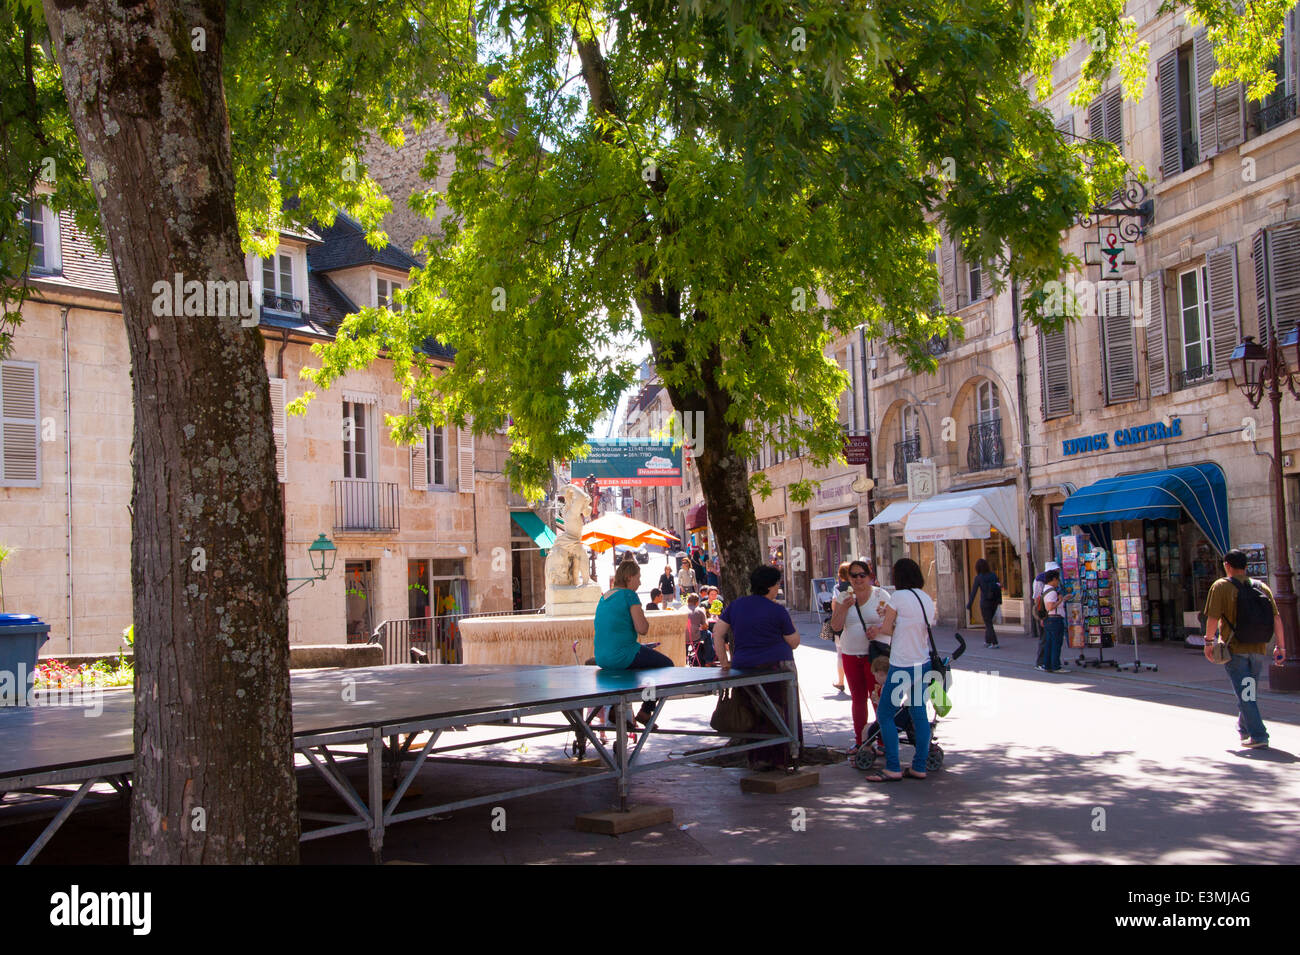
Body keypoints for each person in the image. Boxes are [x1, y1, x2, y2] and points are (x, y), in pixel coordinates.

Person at [712, 564, 802, 771]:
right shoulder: (777, 610)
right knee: (780, 712)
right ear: (771, 586)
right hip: (776, 667)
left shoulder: (736, 605)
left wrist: (724, 661)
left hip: (744, 666)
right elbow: (794, 642)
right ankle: (780, 758)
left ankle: (757, 757)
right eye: (777, 584)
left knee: (752, 711)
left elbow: (718, 633)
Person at [1203, 548, 1286, 749]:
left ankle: (1259, 734)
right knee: (1248, 690)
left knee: (1246, 693)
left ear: (1227, 566)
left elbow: (1212, 617)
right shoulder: (1261, 587)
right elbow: (1276, 618)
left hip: (1235, 648)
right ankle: (1244, 729)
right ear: (1246, 567)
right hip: (1258, 647)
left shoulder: (1221, 586)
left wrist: (1208, 642)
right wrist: (1280, 646)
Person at [863, 558, 935, 781]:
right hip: (922, 662)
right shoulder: (926, 598)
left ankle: (893, 766)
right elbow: (914, 627)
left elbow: (887, 630)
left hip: (902, 663)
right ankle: (919, 766)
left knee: (885, 714)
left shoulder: (898, 597)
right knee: (919, 713)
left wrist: (881, 624)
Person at [594, 559, 673, 724]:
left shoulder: (604, 597)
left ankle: (617, 707)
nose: (640, 582)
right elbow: (642, 628)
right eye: (638, 577)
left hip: (602, 657)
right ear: (629, 578)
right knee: (665, 665)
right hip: (623, 655)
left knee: (644, 664)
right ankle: (646, 710)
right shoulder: (629, 595)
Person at [830, 559, 893, 755]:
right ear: (848, 578)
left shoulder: (881, 595)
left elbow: (893, 626)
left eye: (862, 575)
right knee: (857, 699)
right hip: (850, 653)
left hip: (875, 656)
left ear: (869, 577)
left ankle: (883, 740)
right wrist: (842, 608)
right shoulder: (843, 597)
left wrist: (879, 630)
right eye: (854, 576)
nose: (858, 579)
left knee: (877, 698)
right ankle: (861, 741)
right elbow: (835, 627)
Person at [967, 558, 1003, 649]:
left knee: (988, 623)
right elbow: (998, 588)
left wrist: (969, 604)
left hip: (985, 603)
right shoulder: (993, 575)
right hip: (994, 602)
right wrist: (999, 600)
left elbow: (974, 592)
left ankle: (994, 642)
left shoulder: (979, 577)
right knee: (989, 622)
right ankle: (987, 640)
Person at [1040, 569, 1069, 673]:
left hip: (1050, 619)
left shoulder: (1045, 589)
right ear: (1053, 579)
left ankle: (1047, 665)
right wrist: (1060, 600)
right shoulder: (1051, 591)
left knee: (1049, 643)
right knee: (1056, 643)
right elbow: (1050, 607)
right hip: (1054, 619)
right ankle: (1055, 666)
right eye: (1057, 579)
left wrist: (1063, 599)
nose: (1058, 582)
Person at [1033, 561, 1059, 667]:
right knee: (1044, 638)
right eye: (1056, 571)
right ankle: (1041, 662)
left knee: (1049, 639)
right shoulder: (1040, 580)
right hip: (1045, 613)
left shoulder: (1051, 582)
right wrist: (1042, 617)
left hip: (1050, 613)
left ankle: (1048, 662)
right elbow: (1038, 599)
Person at [831, 561, 853, 691]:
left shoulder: (837, 588)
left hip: (841, 623)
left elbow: (834, 607)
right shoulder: (858, 587)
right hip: (855, 623)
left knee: (840, 653)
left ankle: (841, 681)